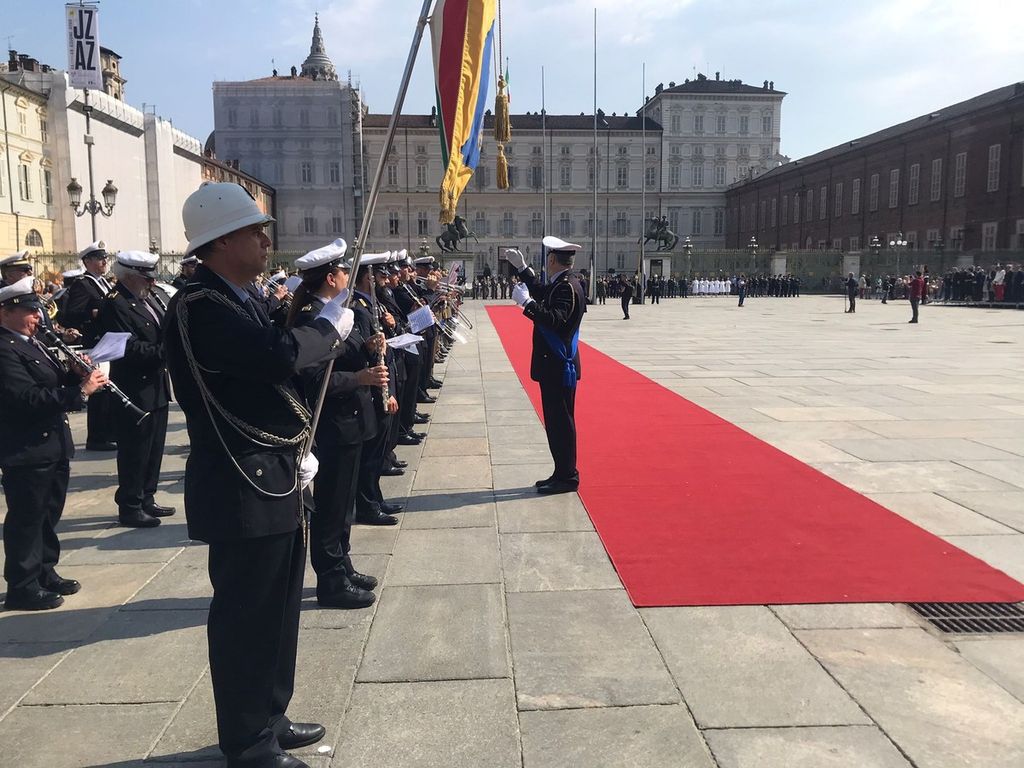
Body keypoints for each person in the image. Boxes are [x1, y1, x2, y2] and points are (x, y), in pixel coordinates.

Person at [165, 182, 356, 768]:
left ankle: (270, 716)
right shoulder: (201, 304)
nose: (266, 241)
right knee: (248, 617)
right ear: (222, 241)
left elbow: (277, 355)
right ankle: (248, 741)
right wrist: (327, 329)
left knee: (278, 609)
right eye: (255, 231)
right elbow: (274, 357)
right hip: (240, 479)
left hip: (271, 471)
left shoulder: (238, 296)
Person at [1, 277, 107, 610]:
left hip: (52, 443)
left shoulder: (32, 342)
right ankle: (22, 584)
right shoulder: (4, 348)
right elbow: (26, 398)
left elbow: (51, 381)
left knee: (48, 513)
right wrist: (80, 392)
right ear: (4, 312)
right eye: (29, 311)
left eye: (37, 310)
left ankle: (45, 570)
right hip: (27, 446)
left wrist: (75, 373)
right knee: (27, 517)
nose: (37, 317)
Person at [289, 239, 384, 608]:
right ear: (331, 277)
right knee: (330, 506)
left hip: (352, 420)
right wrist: (360, 378)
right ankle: (330, 580)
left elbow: (345, 354)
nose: (348, 276)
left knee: (343, 504)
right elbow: (314, 380)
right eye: (344, 271)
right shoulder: (312, 318)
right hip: (333, 423)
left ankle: (342, 564)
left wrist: (369, 346)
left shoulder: (336, 310)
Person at [96, 251, 175, 528]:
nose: (151, 283)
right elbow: (126, 347)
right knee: (135, 450)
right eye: (145, 278)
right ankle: (130, 505)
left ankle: (147, 497)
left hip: (156, 385)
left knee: (153, 448)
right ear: (128, 276)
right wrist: (166, 351)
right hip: (134, 387)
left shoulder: (148, 298)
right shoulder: (115, 303)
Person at [506, 236, 586, 495]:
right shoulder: (565, 283)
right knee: (556, 422)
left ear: (551, 259)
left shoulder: (565, 287)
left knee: (560, 423)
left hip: (557, 365)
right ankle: (561, 471)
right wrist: (523, 269)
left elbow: (555, 320)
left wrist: (527, 304)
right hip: (556, 365)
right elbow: (543, 292)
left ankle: (567, 477)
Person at [62, 241, 118, 451]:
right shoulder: (83, 284)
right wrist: (93, 313)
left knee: (108, 388)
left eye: (105, 258)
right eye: (99, 258)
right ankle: (97, 437)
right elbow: (70, 315)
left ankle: (109, 432)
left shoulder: (103, 283)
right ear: (87, 261)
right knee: (99, 390)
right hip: (94, 343)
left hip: (107, 341)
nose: (104, 262)